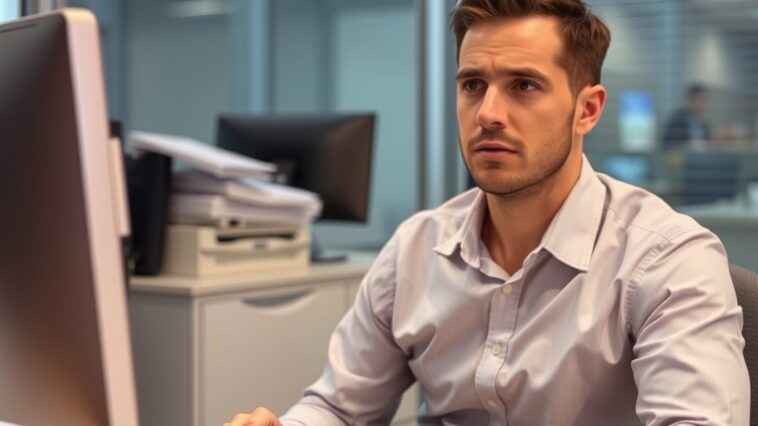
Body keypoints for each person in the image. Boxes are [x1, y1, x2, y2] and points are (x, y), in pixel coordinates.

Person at [225, 1, 750, 425]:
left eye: (524, 85)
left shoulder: (667, 260)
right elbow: (338, 406)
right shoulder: (414, 250)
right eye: (473, 85)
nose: (489, 115)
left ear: (587, 110)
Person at [662, 84, 712, 150]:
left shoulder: (704, 125)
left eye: (703, 100)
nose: (700, 104)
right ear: (689, 100)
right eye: (697, 99)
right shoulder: (677, 121)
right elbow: (668, 145)